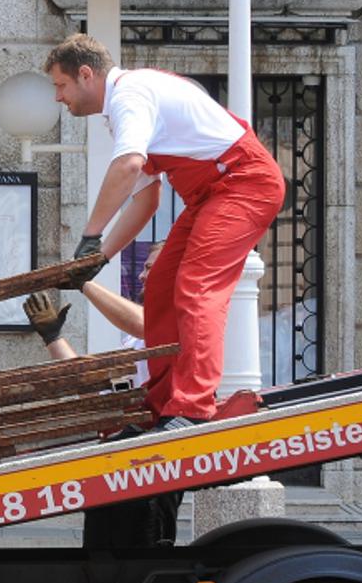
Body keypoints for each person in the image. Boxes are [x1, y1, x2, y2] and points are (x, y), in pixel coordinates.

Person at [45, 34, 284, 424]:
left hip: (244, 182)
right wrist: (99, 257)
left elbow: (128, 166)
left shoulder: (129, 95)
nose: (58, 97)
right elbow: (146, 200)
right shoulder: (122, 108)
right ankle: (163, 403)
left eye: (61, 85)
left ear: (86, 74)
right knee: (160, 287)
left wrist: (91, 237)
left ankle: (192, 406)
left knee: (197, 285)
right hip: (212, 193)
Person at [22, 243, 179, 583]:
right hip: (116, 472)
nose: (146, 276)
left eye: (154, 268)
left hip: (149, 475)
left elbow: (148, 327)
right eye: (145, 269)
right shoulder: (139, 338)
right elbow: (95, 390)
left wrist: (84, 282)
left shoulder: (185, 315)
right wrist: (54, 338)